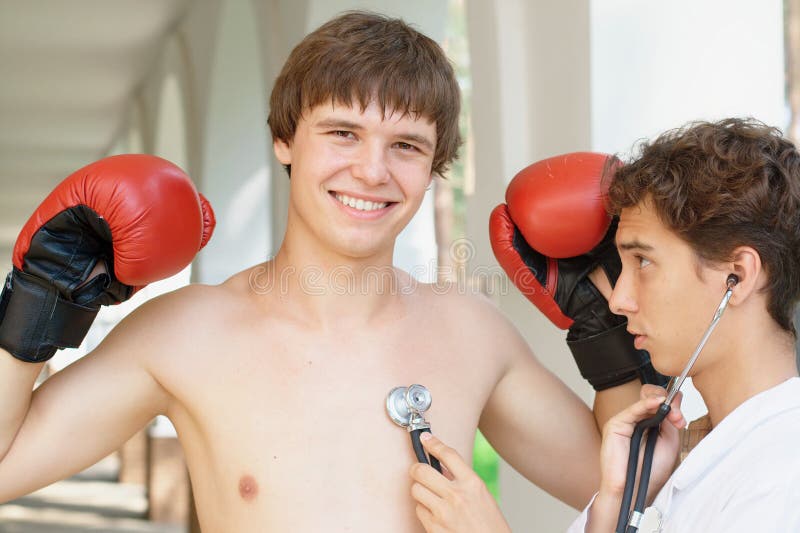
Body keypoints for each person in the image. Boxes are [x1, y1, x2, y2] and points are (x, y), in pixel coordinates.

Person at [0, 11, 653, 532]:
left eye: (406, 146)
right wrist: (36, 304)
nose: (372, 171)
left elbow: (629, 486)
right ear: (285, 138)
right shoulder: (185, 331)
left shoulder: (470, 331)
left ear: (433, 168)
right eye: (343, 133)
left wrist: (611, 332)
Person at [410, 118, 800, 532]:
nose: (618, 299)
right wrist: (617, 502)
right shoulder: (701, 455)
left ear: (736, 275)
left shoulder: (781, 472)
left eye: (643, 261)